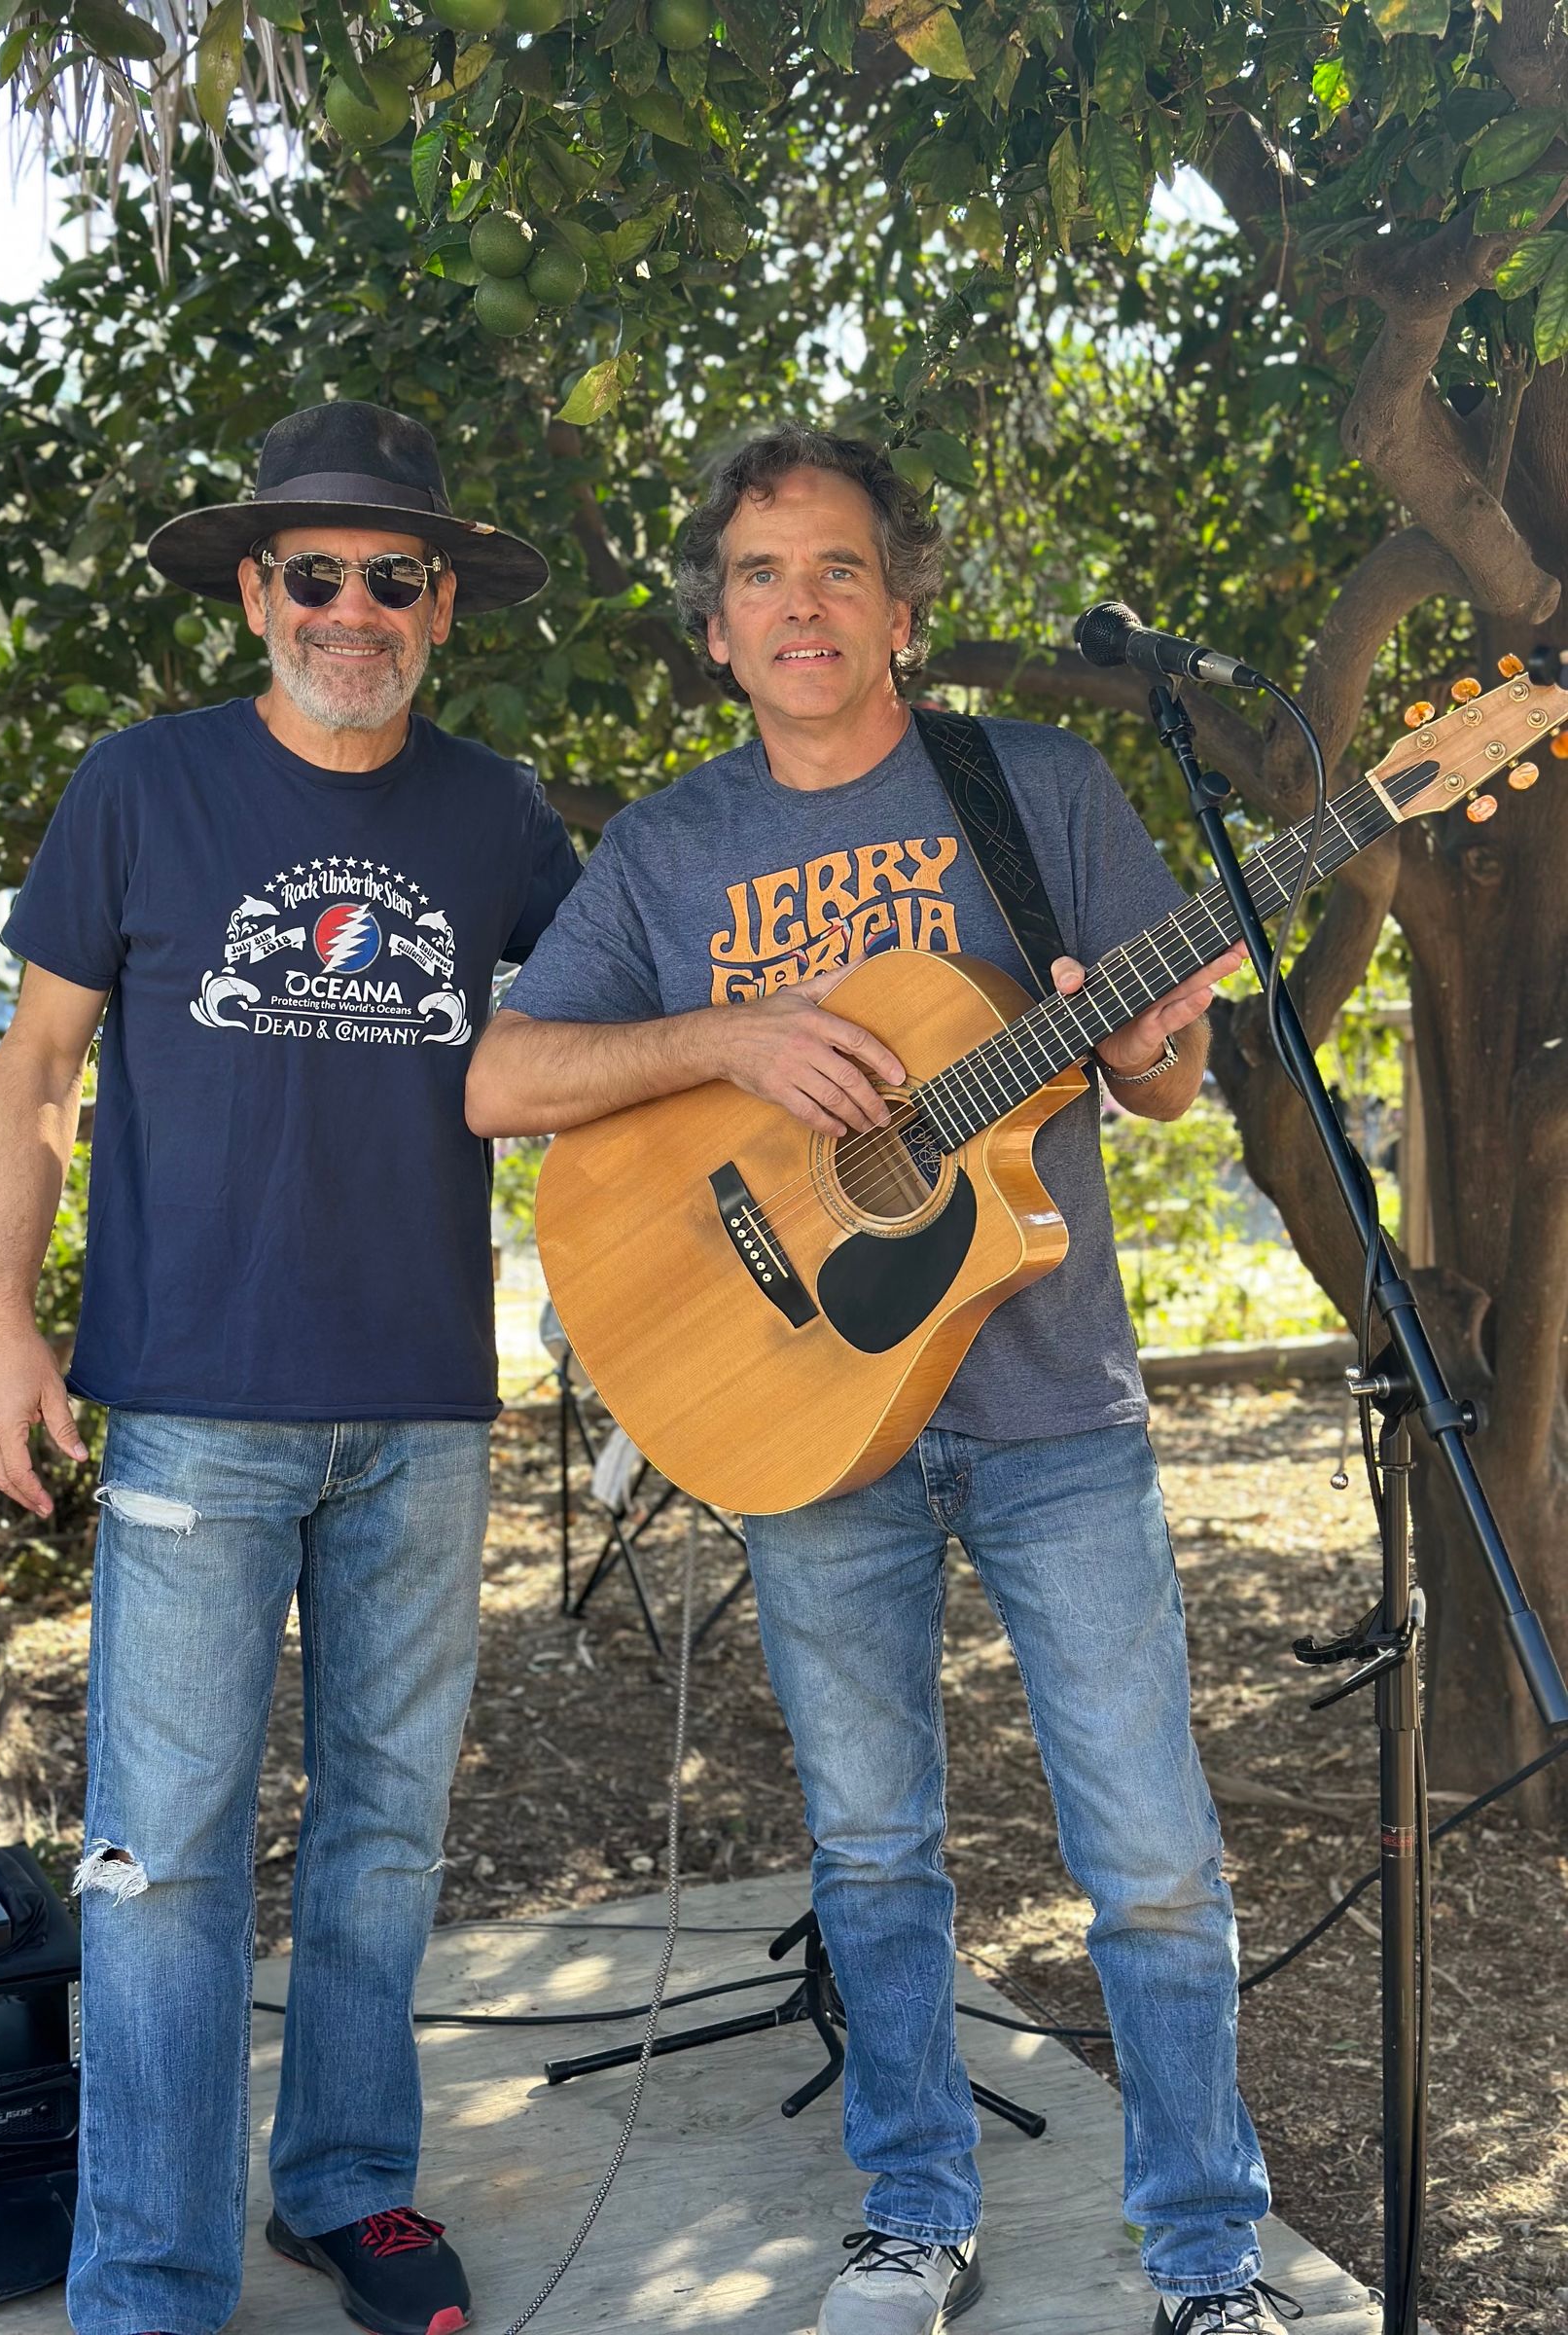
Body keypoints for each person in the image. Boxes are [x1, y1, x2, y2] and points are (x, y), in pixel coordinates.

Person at [464, 426, 1291, 2335]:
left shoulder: (1038, 789)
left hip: (1053, 1415)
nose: (802, 605)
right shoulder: (671, 850)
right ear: (720, 629)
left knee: (1152, 1858)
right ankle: (913, 2218)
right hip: (809, 1420)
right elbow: (502, 1085)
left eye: (838, 568)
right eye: (762, 577)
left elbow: (1156, 1082)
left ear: (902, 609)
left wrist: (1155, 1044)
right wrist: (730, 1039)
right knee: (871, 1849)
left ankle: (1205, 2261)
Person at [0, 400, 580, 2335]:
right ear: (253, 591)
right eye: (311, 571)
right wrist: (4, 1324)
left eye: (392, 576)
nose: (351, 606)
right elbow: (35, 1081)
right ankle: (149, 2270)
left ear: (442, 604)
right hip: (192, 1405)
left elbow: (599, 1072)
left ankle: (347, 2187)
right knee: (158, 1863)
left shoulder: (501, 818)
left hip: (423, 1406)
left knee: (388, 1826)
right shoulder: (140, 789)